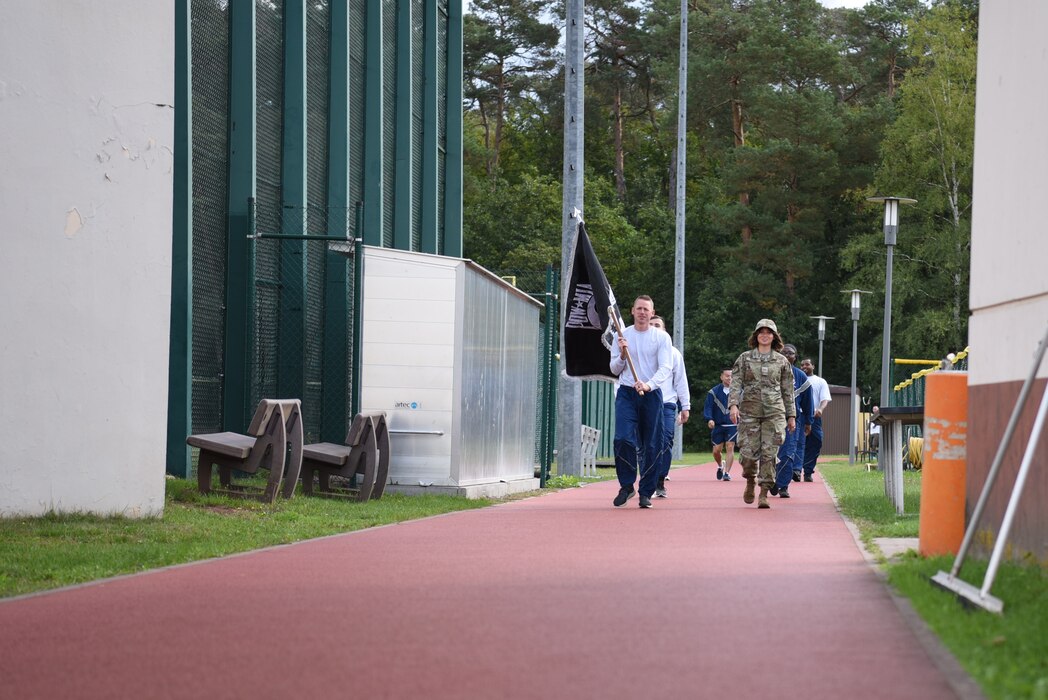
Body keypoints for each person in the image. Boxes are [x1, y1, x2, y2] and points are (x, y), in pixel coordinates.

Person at [610, 296, 675, 509]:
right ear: (632, 311)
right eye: (639, 308)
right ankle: (627, 485)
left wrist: (648, 385)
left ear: (652, 311)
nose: (642, 312)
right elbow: (614, 369)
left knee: (652, 444)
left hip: (651, 394)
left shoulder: (661, 338)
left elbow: (666, 368)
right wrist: (621, 355)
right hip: (627, 393)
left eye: (646, 309)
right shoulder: (622, 335)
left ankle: (646, 491)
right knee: (623, 439)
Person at [729, 319, 796, 509]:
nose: (764, 335)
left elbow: (787, 391)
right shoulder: (744, 358)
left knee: (769, 454)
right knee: (748, 455)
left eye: (769, 332)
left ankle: (764, 492)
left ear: (774, 336)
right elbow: (735, 383)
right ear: (756, 335)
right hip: (749, 412)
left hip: (774, 413)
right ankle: (750, 479)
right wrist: (733, 405)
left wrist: (791, 416)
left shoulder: (782, 361)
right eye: (761, 332)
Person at [649, 316, 691, 498]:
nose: (654, 328)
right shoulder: (639, 350)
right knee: (647, 443)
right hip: (645, 401)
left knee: (665, 441)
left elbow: (681, 380)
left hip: (667, 403)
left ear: (665, 330)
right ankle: (647, 480)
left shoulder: (673, 353)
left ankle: (660, 479)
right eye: (651, 325)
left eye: (657, 325)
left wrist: (685, 406)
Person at [772, 343, 813, 498]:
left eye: (791, 353)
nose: (788, 355)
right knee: (770, 452)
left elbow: (808, 402)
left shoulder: (801, 377)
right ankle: (770, 479)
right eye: (784, 352)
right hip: (771, 419)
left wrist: (808, 422)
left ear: (795, 357)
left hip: (793, 420)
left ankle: (782, 485)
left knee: (788, 453)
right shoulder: (771, 371)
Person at [799, 357, 832, 481]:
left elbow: (825, 399)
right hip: (798, 416)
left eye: (807, 364)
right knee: (797, 442)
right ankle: (795, 469)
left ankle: (808, 471)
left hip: (814, 417)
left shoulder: (820, 381)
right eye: (802, 365)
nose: (804, 367)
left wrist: (821, 409)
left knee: (816, 442)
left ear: (813, 366)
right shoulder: (796, 379)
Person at [704, 368, 736, 481]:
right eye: (727, 376)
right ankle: (720, 466)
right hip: (718, 425)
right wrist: (709, 419)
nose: (729, 378)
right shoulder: (713, 392)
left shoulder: (738, 392)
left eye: (731, 376)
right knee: (716, 450)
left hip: (732, 425)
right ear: (721, 377)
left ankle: (727, 473)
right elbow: (708, 407)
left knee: (730, 446)